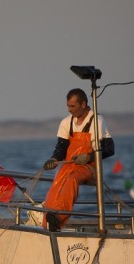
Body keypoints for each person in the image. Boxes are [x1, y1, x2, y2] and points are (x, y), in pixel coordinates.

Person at [42, 88, 115, 231]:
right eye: (68, 106)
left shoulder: (97, 121)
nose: (69, 110)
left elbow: (109, 149)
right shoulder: (66, 122)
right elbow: (61, 147)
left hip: (89, 167)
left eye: (73, 106)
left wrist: (89, 157)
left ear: (83, 104)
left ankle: (58, 218)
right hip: (69, 166)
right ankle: (47, 225)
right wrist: (54, 159)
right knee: (55, 185)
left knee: (71, 179)